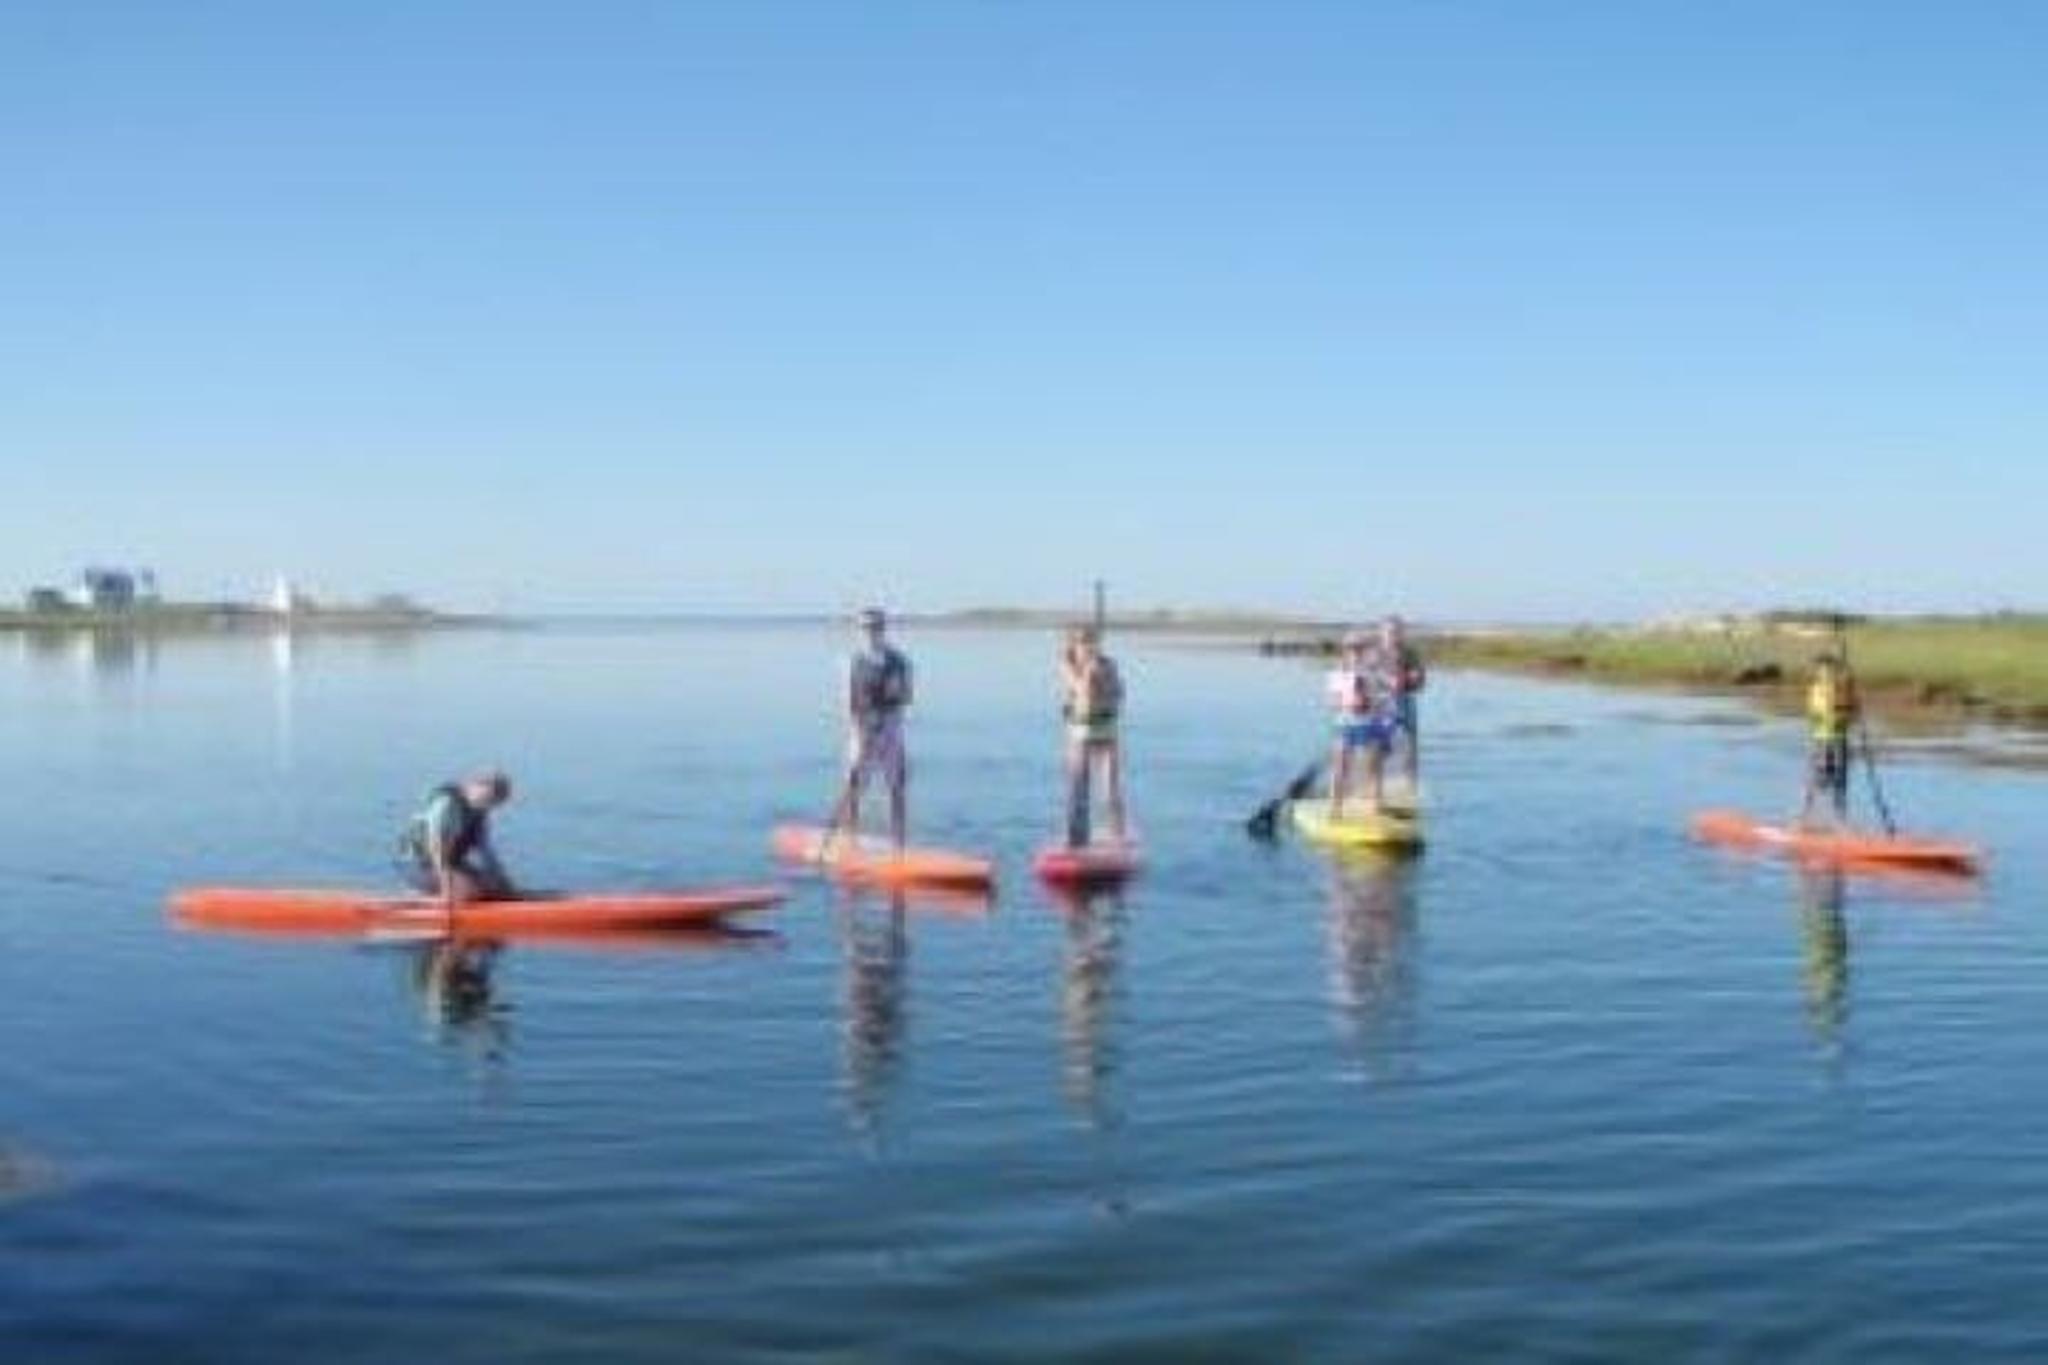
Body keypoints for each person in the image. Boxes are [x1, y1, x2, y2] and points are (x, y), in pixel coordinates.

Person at [826, 607, 913, 851]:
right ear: (859, 630)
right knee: (854, 786)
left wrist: (889, 715)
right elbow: (848, 701)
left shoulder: (900, 662)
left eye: (876, 627)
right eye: (866, 627)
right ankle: (850, 841)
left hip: (890, 731)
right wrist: (859, 729)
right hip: (862, 731)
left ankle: (899, 844)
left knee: (897, 787)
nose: (871, 632)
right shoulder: (852, 662)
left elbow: (905, 698)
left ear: (883, 628)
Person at [398, 771, 516, 905]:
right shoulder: (447, 804)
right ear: (473, 786)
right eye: (490, 797)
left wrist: (505, 884)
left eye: (494, 801)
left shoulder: (478, 812)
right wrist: (447, 887)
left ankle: (442, 891)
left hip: (449, 863)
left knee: (492, 886)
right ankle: (414, 901)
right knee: (467, 893)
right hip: (418, 863)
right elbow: (436, 846)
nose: (490, 803)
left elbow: (486, 853)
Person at [1059, 624, 1127, 847]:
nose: (1088, 647)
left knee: (1111, 788)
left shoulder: (1109, 664)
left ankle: (1117, 834)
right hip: (1080, 733)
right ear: (1074, 645)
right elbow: (1082, 691)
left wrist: (1105, 678)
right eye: (1083, 642)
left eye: (1092, 642)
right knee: (1079, 788)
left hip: (1106, 730)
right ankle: (1077, 839)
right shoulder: (1069, 665)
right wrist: (1089, 672)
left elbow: (1118, 693)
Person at [1325, 632, 1397, 818]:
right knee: (1341, 767)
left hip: (1370, 724)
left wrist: (1382, 711)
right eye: (1352, 648)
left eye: (1359, 648)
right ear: (1345, 651)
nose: (1356, 652)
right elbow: (1332, 702)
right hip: (1345, 724)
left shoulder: (1373, 672)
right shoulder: (1338, 674)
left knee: (1374, 767)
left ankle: (1376, 808)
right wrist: (1347, 704)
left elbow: (1388, 694)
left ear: (1365, 651)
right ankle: (1335, 809)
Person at [1800, 650, 1859, 828]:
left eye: (1829, 669)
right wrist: (1838, 709)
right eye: (1822, 669)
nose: (1826, 672)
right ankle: (1804, 818)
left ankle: (1841, 822)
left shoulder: (1843, 688)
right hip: (1822, 740)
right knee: (1817, 779)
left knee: (1840, 781)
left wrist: (1851, 703)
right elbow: (1815, 714)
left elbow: (1852, 710)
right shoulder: (1816, 690)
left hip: (1840, 740)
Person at [1369, 615, 1427, 791]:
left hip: (1405, 703)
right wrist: (1386, 681)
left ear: (1403, 633)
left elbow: (1421, 680)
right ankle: (1374, 791)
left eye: (1397, 631)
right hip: (1381, 704)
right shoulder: (1374, 654)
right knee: (1378, 748)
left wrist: (1413, 678)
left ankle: (1411, 789)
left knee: (1410, 747)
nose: (1394, 635)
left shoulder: (1410, 654)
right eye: (1389, 631)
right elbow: (1365, 678)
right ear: (1381, 633)